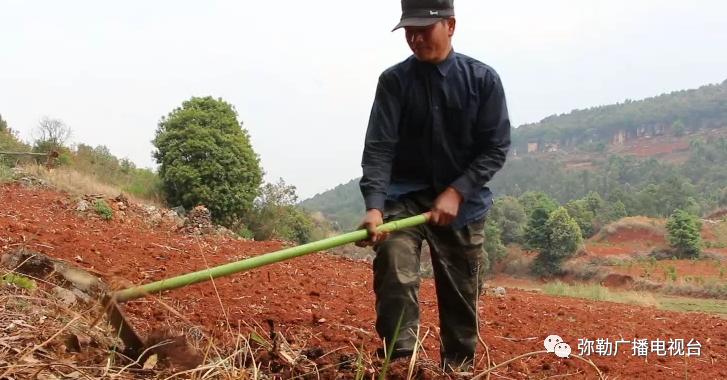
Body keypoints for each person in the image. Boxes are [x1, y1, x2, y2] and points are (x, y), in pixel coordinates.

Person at [357, 0, 511, 372]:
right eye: (409, 31)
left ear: (451, 26)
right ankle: (400, 363)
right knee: (394, 265)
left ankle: (457, 368)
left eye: (423, 30)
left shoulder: (482, 80)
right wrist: (374, 207)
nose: (414, 38)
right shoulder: (393, 82)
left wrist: (457, 191)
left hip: (463, 206)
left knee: (461, 294)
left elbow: (495, 148)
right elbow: (379, 149)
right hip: (403, 199)